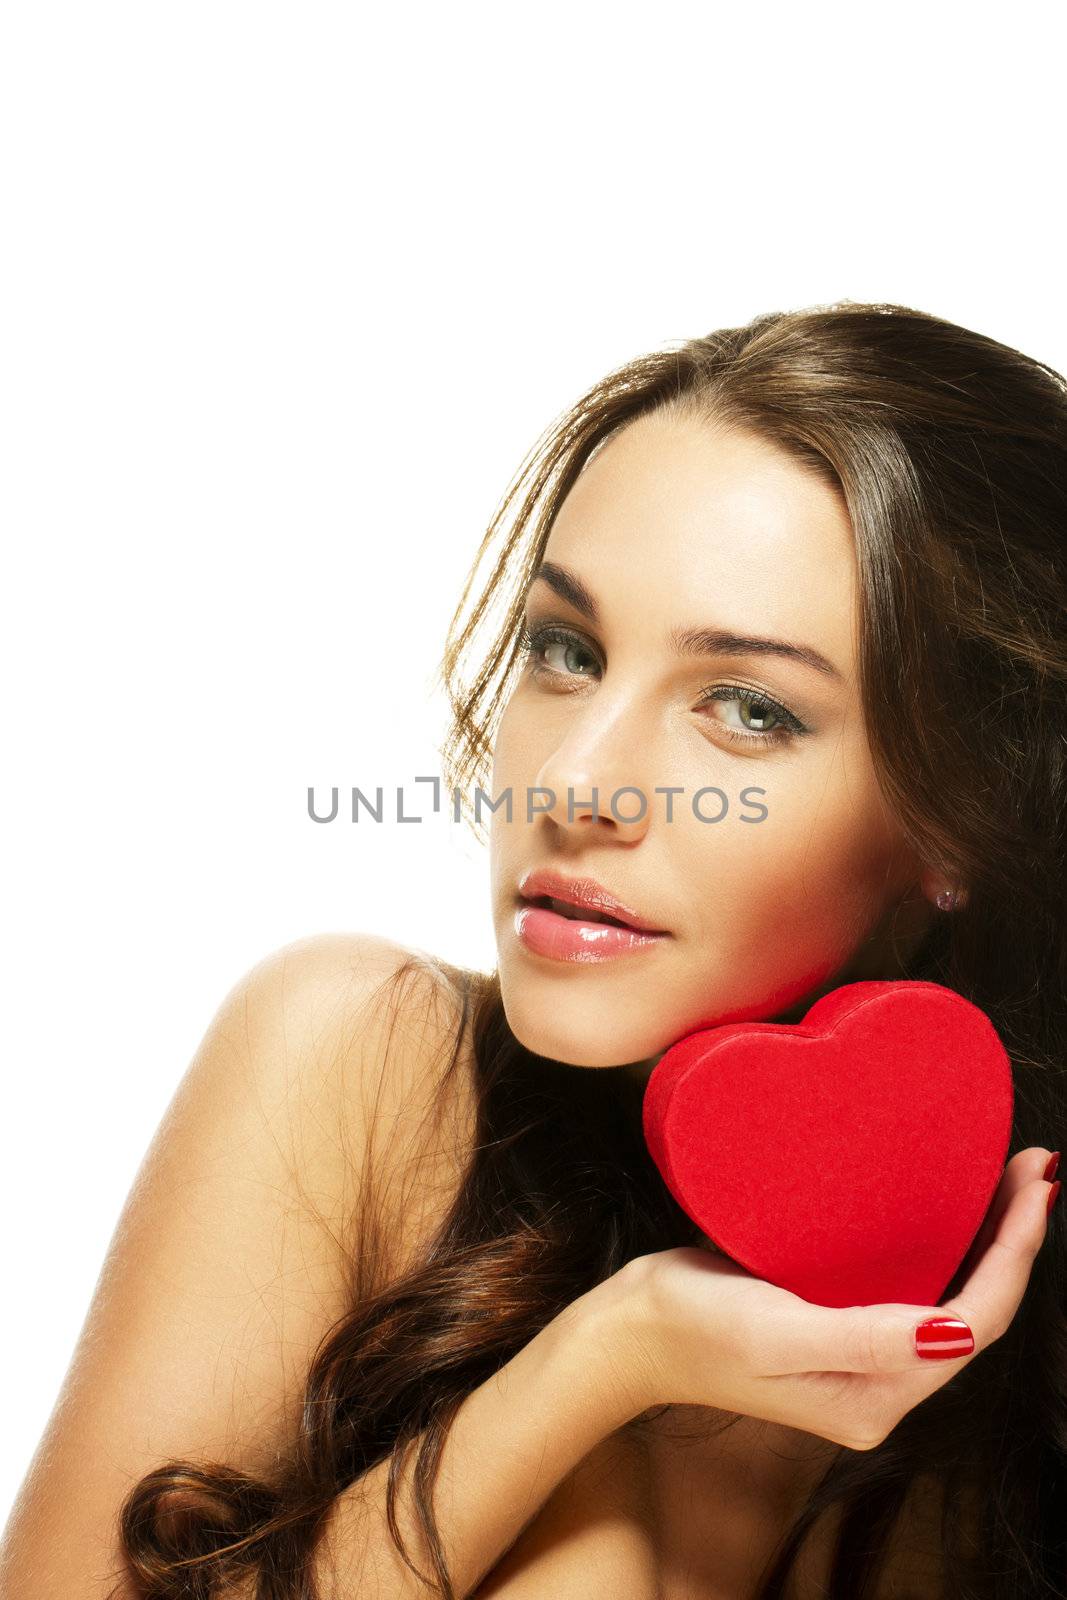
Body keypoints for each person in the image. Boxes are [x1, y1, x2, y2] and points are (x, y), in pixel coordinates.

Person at [1, 300, 1063, 1600]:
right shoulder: (361, 1062)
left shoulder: (1009, 1374)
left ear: (958, 821)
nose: (572, 779)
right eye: (566, 650)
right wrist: (604, 1362)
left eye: (745, 707)